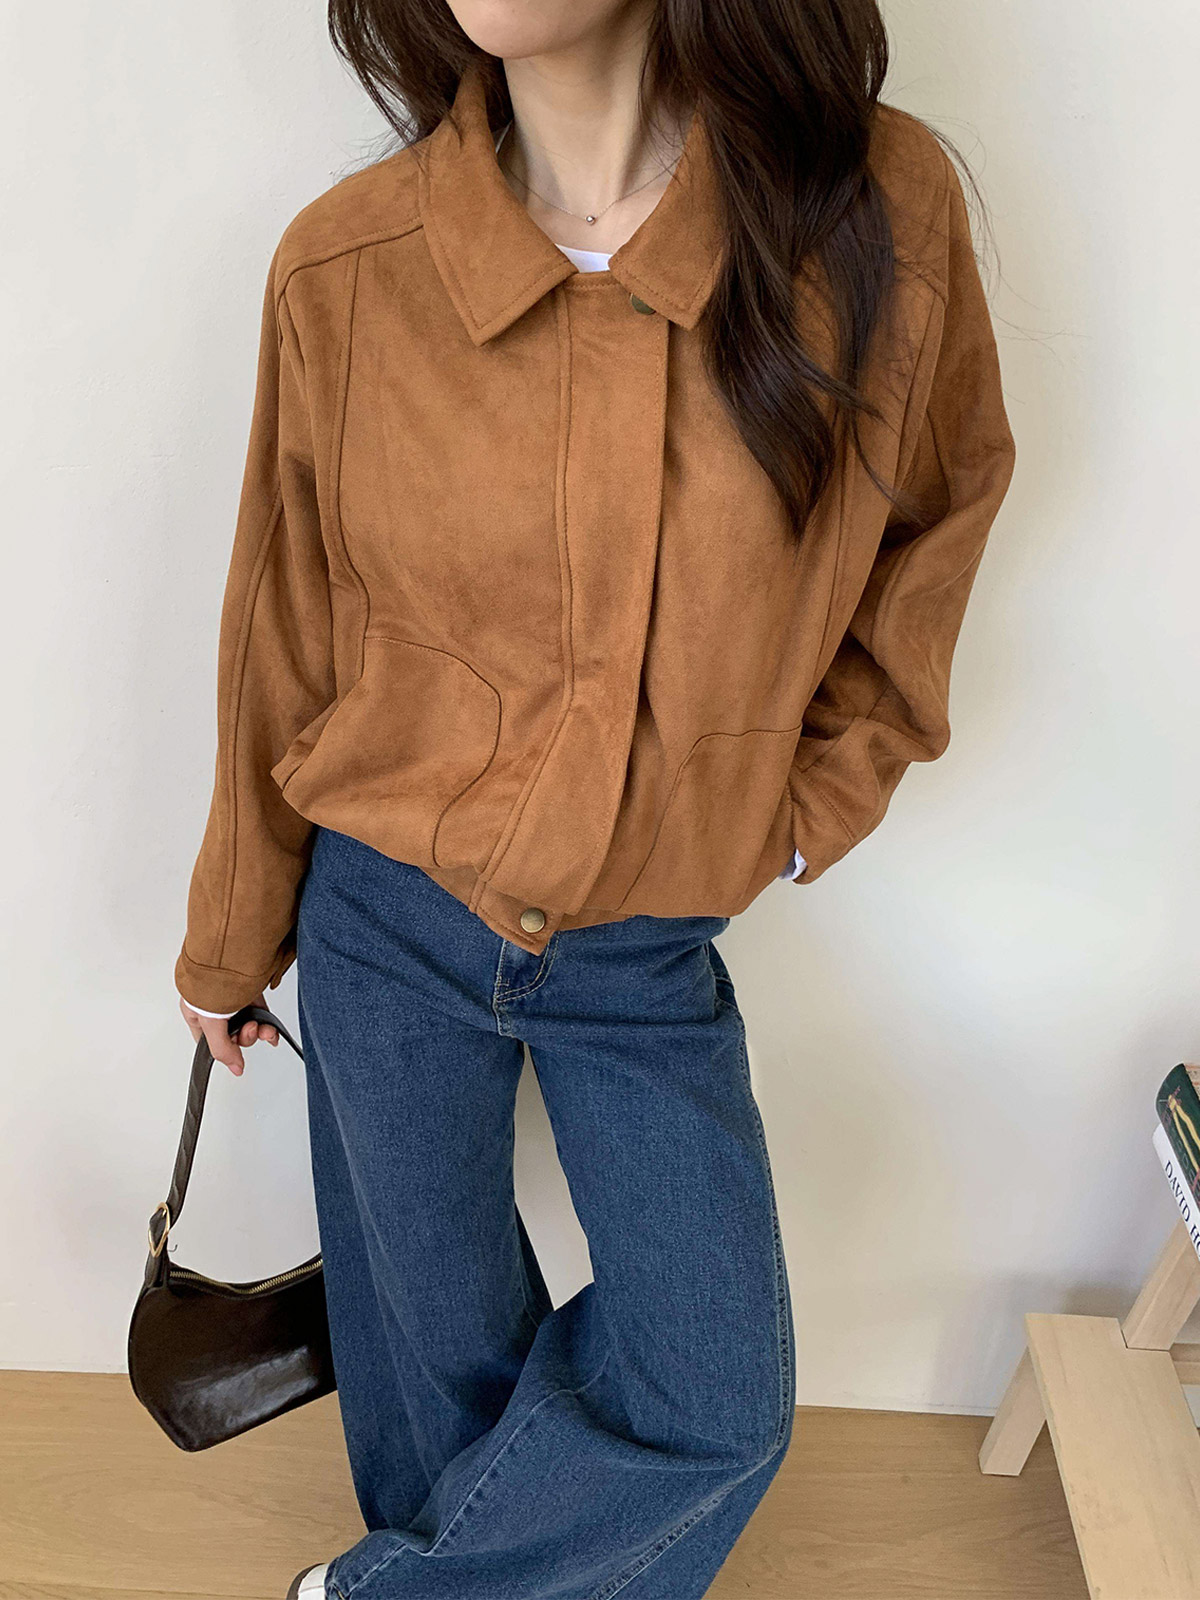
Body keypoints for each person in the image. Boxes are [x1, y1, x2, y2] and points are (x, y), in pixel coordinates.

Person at [174, 1, 1015, 1595]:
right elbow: (280, 636)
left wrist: (808, 803)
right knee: (440, 1383)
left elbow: (941, 515)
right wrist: (230, 940)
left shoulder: (868, 209)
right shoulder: (347, 264)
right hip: (382, 915)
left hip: (645, 938)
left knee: (715, 1395)